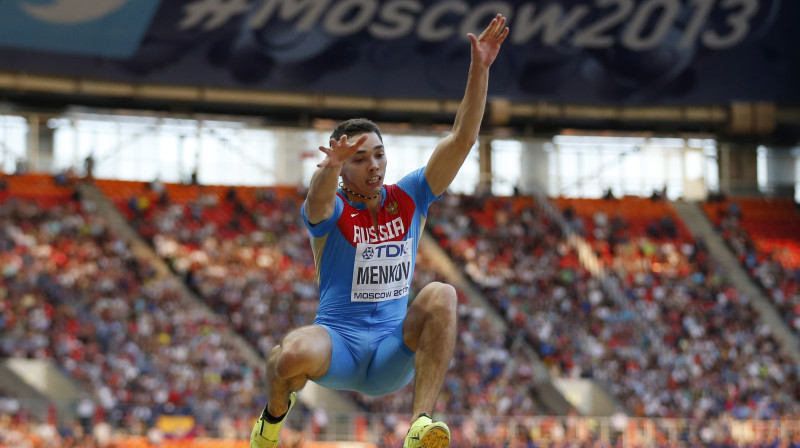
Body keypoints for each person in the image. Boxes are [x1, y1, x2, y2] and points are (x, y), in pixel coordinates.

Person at [250, 14, 509, 448]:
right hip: (340, 346)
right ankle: (271, 422)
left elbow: (462, 140)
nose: (373, 164)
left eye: (378, 154)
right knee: (286, 355)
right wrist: (328, 169)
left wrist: (478, 70)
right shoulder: (331, 209)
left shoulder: (411, 196)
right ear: (342, 168)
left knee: (442, 294)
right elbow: (316, 202)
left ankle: (421, 424)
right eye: (358, 158)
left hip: (393, 349)